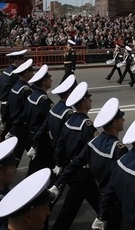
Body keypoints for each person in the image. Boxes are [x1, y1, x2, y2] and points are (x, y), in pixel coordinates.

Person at [51, 97, 127, 230]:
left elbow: (76, 161)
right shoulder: (119, 149)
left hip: (101, 194)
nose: (123, 120)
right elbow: (119, 181)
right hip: (114, 200)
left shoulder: (94, 142)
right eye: (121, 118)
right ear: (114, 124)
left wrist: (60, 182)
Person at [52, 82, 99, 230]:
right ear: (84, 102)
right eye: (89, 99)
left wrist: (61, 164)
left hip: (73, 170)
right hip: (82, 173)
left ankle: (111, 220)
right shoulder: (87, 125)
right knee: (68, 211)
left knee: (100, 203)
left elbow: (60, 144)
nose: (91, 101)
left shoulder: (69, 120)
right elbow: (93, 151)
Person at [30, 75, 76, 172]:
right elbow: (67, 137)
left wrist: (34, 144)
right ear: (69, 93)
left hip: (55, 148)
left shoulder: (54, 108)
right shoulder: (67, 113)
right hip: (63, 152)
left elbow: (43, 127)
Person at [0, 49, 27, 135]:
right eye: (22, 60)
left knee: (8, 130)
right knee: (10, 131)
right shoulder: (16, 75)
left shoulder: (6, 72)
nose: (24, 62)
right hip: (12, 107)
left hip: (4, 106)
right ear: (17, 61)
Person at [21, 64, 53, 176]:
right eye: (49, 79)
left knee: (47, 163)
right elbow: (50, 120)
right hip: (41, 138)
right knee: (37, 166)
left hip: (32, 134)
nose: (51, 80)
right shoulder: (43, 100)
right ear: (44, 82)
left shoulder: (32, 96)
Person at [7, 58, 35, 162]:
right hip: (24, 127)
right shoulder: (26, 90)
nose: (33, 74)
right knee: (18, 156)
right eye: (32, 72)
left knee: (18, 155)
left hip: (17, 124)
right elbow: (28, 110)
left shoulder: (16, 86)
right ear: (26, 73)